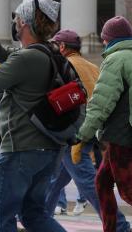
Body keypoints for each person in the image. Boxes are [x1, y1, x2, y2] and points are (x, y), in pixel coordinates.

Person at [0, 0, 66, 232]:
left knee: (2, 219)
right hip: (48, 149)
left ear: (25, 23)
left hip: (20, 149)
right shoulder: (47, 52)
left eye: (17, 17)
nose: (14, 22)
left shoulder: (27, 58)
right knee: (34, 215)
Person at [45, 29, 130, 231]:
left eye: (55, 45)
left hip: (76, 131)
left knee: (90, 181)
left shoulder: (64, 64)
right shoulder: (92, 66)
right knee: (57, 179)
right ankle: (38, 217)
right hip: (93, 127)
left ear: (62, 47)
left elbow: (60, 99)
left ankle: (119, 226)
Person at [77, 16, 132, 232]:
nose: (103, 43)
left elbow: (101, 103)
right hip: (122, 133)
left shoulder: (116, 59)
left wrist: (83, 134)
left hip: (121, 135)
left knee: (128, 191)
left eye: (104, 38)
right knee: (102, 182)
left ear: (110, 39)